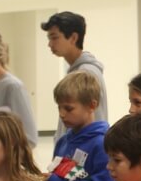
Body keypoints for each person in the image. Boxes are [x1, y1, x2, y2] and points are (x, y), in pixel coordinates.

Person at [41, 11, 108, 139]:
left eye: (54, 37)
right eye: (49, 39)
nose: (50, 44)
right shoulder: (75, 71)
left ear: (73, 38)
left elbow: (94, 118)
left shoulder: (87, 73)